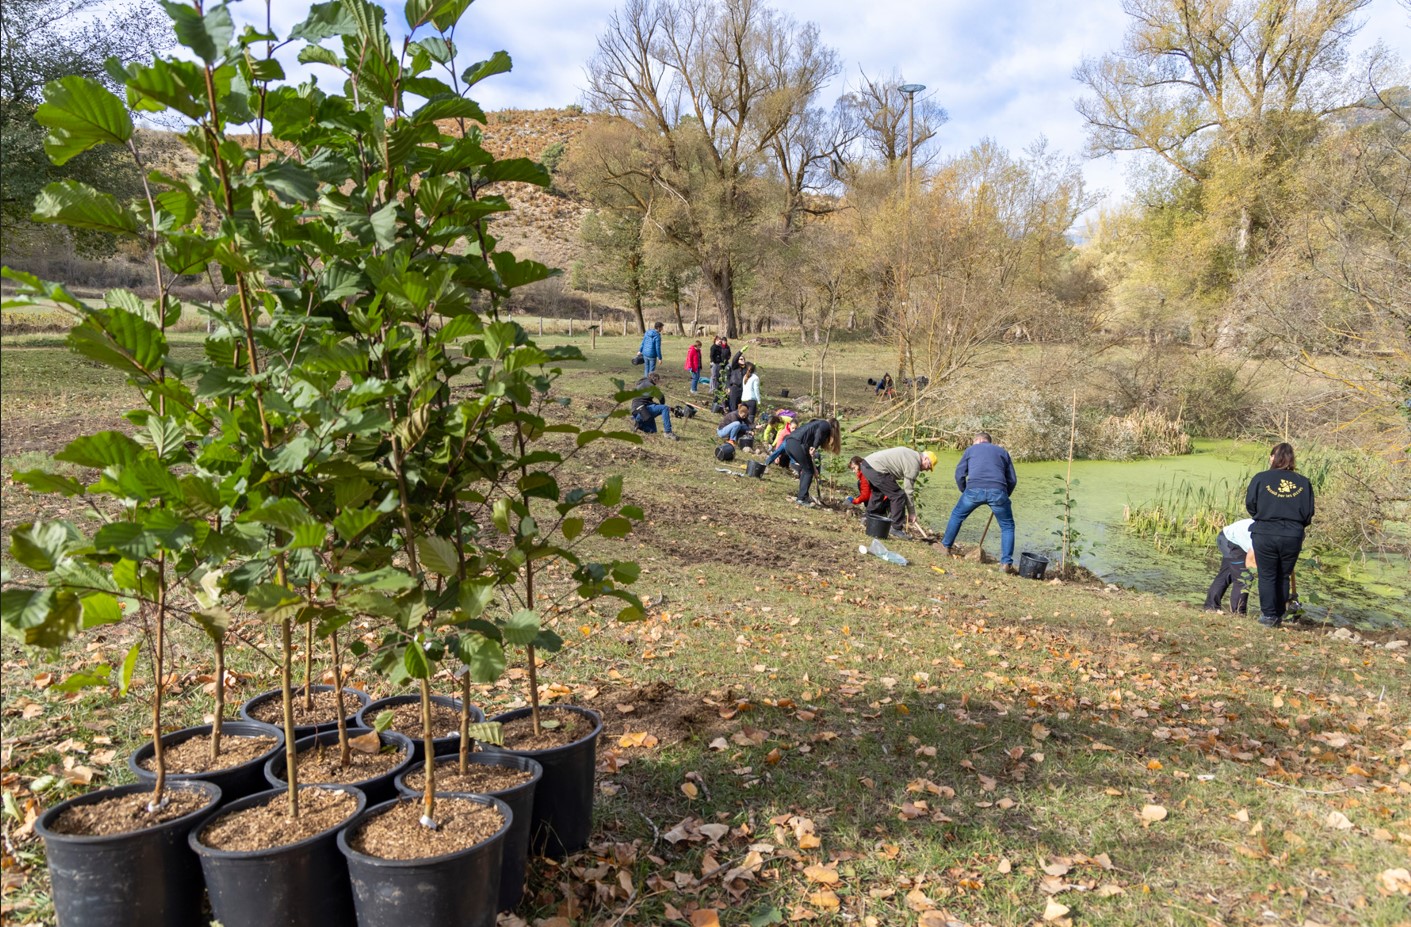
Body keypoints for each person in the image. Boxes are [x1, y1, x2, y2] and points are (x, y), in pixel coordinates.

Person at [1245, 442, 1315, 627]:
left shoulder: (1260, 478)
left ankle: (1269, 616)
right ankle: (1278, 614)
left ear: (1272, 458)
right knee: (1282, 575)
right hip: (1292, 535)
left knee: (1267, 575)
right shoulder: (1303, 482)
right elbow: (1308, 513)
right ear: (1292, 459)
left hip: (1265, 532)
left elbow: (1251, 505)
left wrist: (1265, 516)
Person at [940, 432, 1019, 571]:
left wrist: (964, 490)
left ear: (978, 441)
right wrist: (1005, 495)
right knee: (1007, 526)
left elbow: (959, 474)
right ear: (988, 441)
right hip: (998, 491)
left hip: (973, 490)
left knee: (957, 515)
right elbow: (1012, 479)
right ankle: (1006, 563)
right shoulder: (1003, 452)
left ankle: (945, 547)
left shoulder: (971, 450)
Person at [861, 447, 937, 540]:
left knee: (879, 491)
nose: (927, 470)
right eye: (928, 466)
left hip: (866, 464)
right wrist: (912, 513)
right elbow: (908, 490)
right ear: (925, 459)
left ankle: (868, 518)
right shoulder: (914, 464)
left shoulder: (912, 455)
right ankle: (896, 528)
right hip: (875, 468)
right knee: (898, 496)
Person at [763, 417, 840, 505]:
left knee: (808, 469)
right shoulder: (825, 424)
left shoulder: (816, 424)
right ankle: (801, 498)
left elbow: (808, 445)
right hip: (796, 444)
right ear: (834, 427)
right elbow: (819, 434)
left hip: (790, 443)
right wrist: (814, 446)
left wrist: (814, 468)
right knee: (808, 471)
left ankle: (804, 495)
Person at [1205, 517, 1255, 614]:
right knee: (1244, 578)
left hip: (1236, 539)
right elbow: (1251, 561)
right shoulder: (1262, 535)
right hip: (1229, 540)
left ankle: (1210, 607)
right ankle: (1238, 613)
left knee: (1226, 573)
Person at [628, 372, 679, 441]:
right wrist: (663, 406)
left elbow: (646, 400)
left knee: (653, 431)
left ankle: (638, 424)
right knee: (664, 408)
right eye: (658, 380)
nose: (658, 382)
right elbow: (661, 398)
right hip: (642, 410)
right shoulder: (651, 386)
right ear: (655, 380)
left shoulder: (643, 382)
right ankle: (668, 432)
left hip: (637, 410)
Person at [726, 343, 750, 412]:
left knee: (741, 406)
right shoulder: (735, 367)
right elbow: (734, 359)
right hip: (734, 388)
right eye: (740, 359)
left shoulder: (746, 369)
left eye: (743, 359)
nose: (742, 360)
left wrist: (753, 367)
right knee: (733, 405)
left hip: (742, 389)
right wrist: (740, 352)